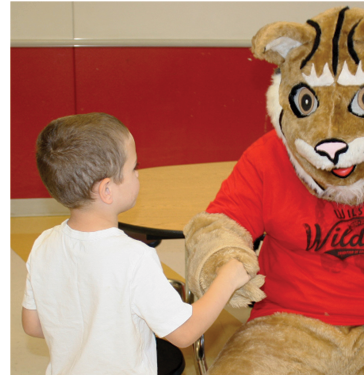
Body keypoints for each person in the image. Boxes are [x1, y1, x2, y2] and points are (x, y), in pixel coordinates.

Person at [21, 112, 250, 374]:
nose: (138, 175)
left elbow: (33, 325)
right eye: (134, 168)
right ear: (107, 190)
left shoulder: (42, 244)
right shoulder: (134, 257)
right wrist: (228, 279)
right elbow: (185, 332)